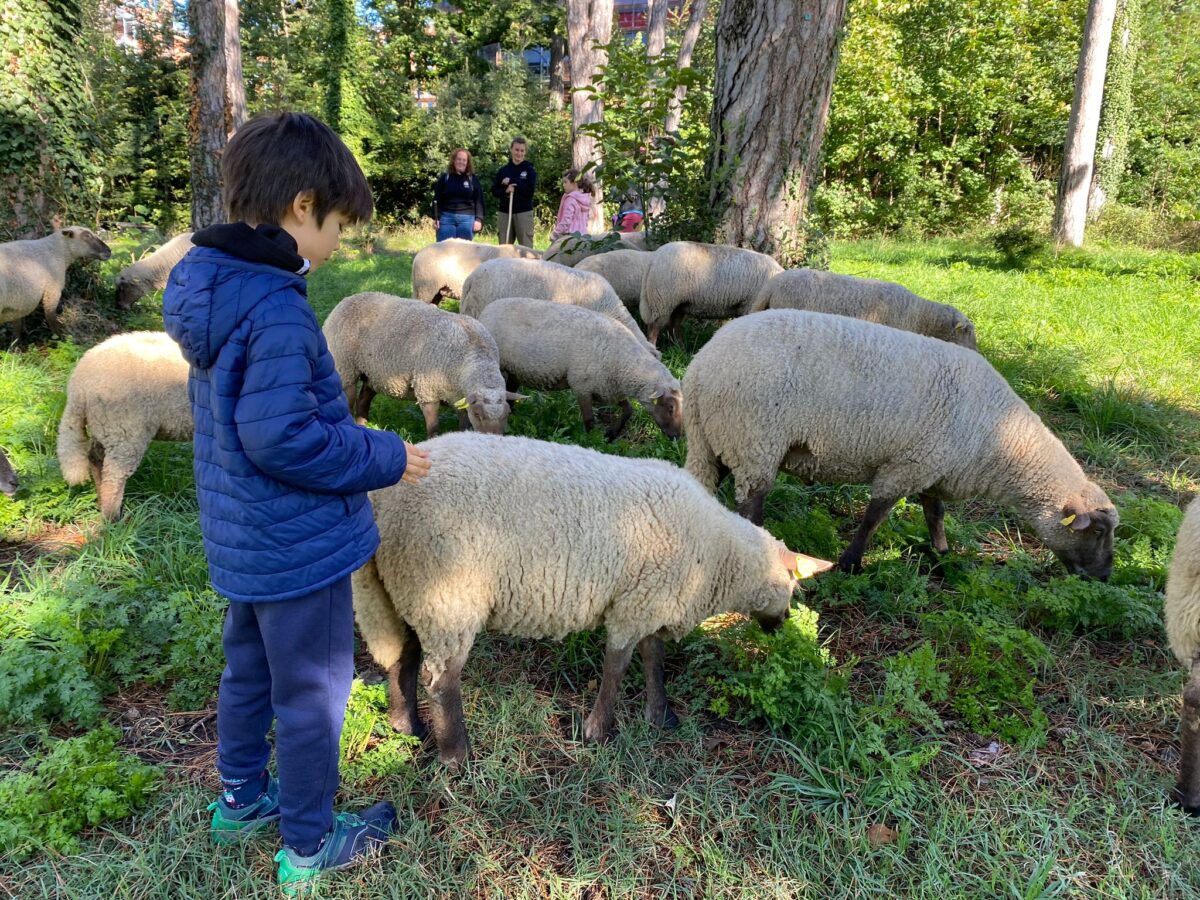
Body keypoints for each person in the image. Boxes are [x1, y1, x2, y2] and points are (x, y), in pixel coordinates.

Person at [161, 111, 432, 897]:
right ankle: (310, 847)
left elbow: (249, 423)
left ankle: (241, 800)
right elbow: (283, 437)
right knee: (313, 694)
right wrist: (385, 454)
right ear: (303, 206)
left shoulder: (214, 284)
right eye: (341, 226)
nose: (339, 245)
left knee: (248, 673)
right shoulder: (275, 307)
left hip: (245, 535)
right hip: (296, 542)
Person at [492, 136, 537, 247]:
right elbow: (494, 191)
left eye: (522, 150)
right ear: (511, 149)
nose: (519, 153)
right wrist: (506, 190)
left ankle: (527, 265)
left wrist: (513, 181)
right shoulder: (503, 170)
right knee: (504, 245)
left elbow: (530, 191)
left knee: (526, 246)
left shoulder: (529, 170)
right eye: (516, 150)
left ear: (525, 152)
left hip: (523, 212)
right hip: (505, 212)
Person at [433, 147, 485, 241]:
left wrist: (479, 219)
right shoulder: (445, 178)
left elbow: (479, 200)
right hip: (446, 218)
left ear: (467, 163)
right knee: (445, 250)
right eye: (459, 159)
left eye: (464, 160)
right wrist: (436, 218)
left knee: (465, 252)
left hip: (467, 220)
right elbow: (437, 199)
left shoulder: (472, 179)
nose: (461, 162)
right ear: (454, 161)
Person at [550, 169, 594, 242]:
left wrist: (555, 233)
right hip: (583, 236)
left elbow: (566, 221)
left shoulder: (570, 200)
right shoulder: (585, 198)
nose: (563, 185)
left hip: (570, 237)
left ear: (574, 183)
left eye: (565, 182)